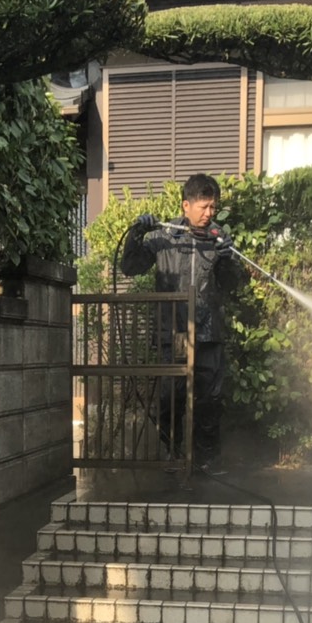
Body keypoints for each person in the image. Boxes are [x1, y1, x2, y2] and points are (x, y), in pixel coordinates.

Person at [120, 172, 245, 471]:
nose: (209, 213)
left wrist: (227, 259)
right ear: (186, 205)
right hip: (173, 332)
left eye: (213, 207)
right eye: (203, 207)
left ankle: (206, 462)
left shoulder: (219, 240)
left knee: (210, 400)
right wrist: (137, 233)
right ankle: (173, 455)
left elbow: (232, 285)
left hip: (209, 333)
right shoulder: (164, 237)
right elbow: (130, 267)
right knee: (170, 398)